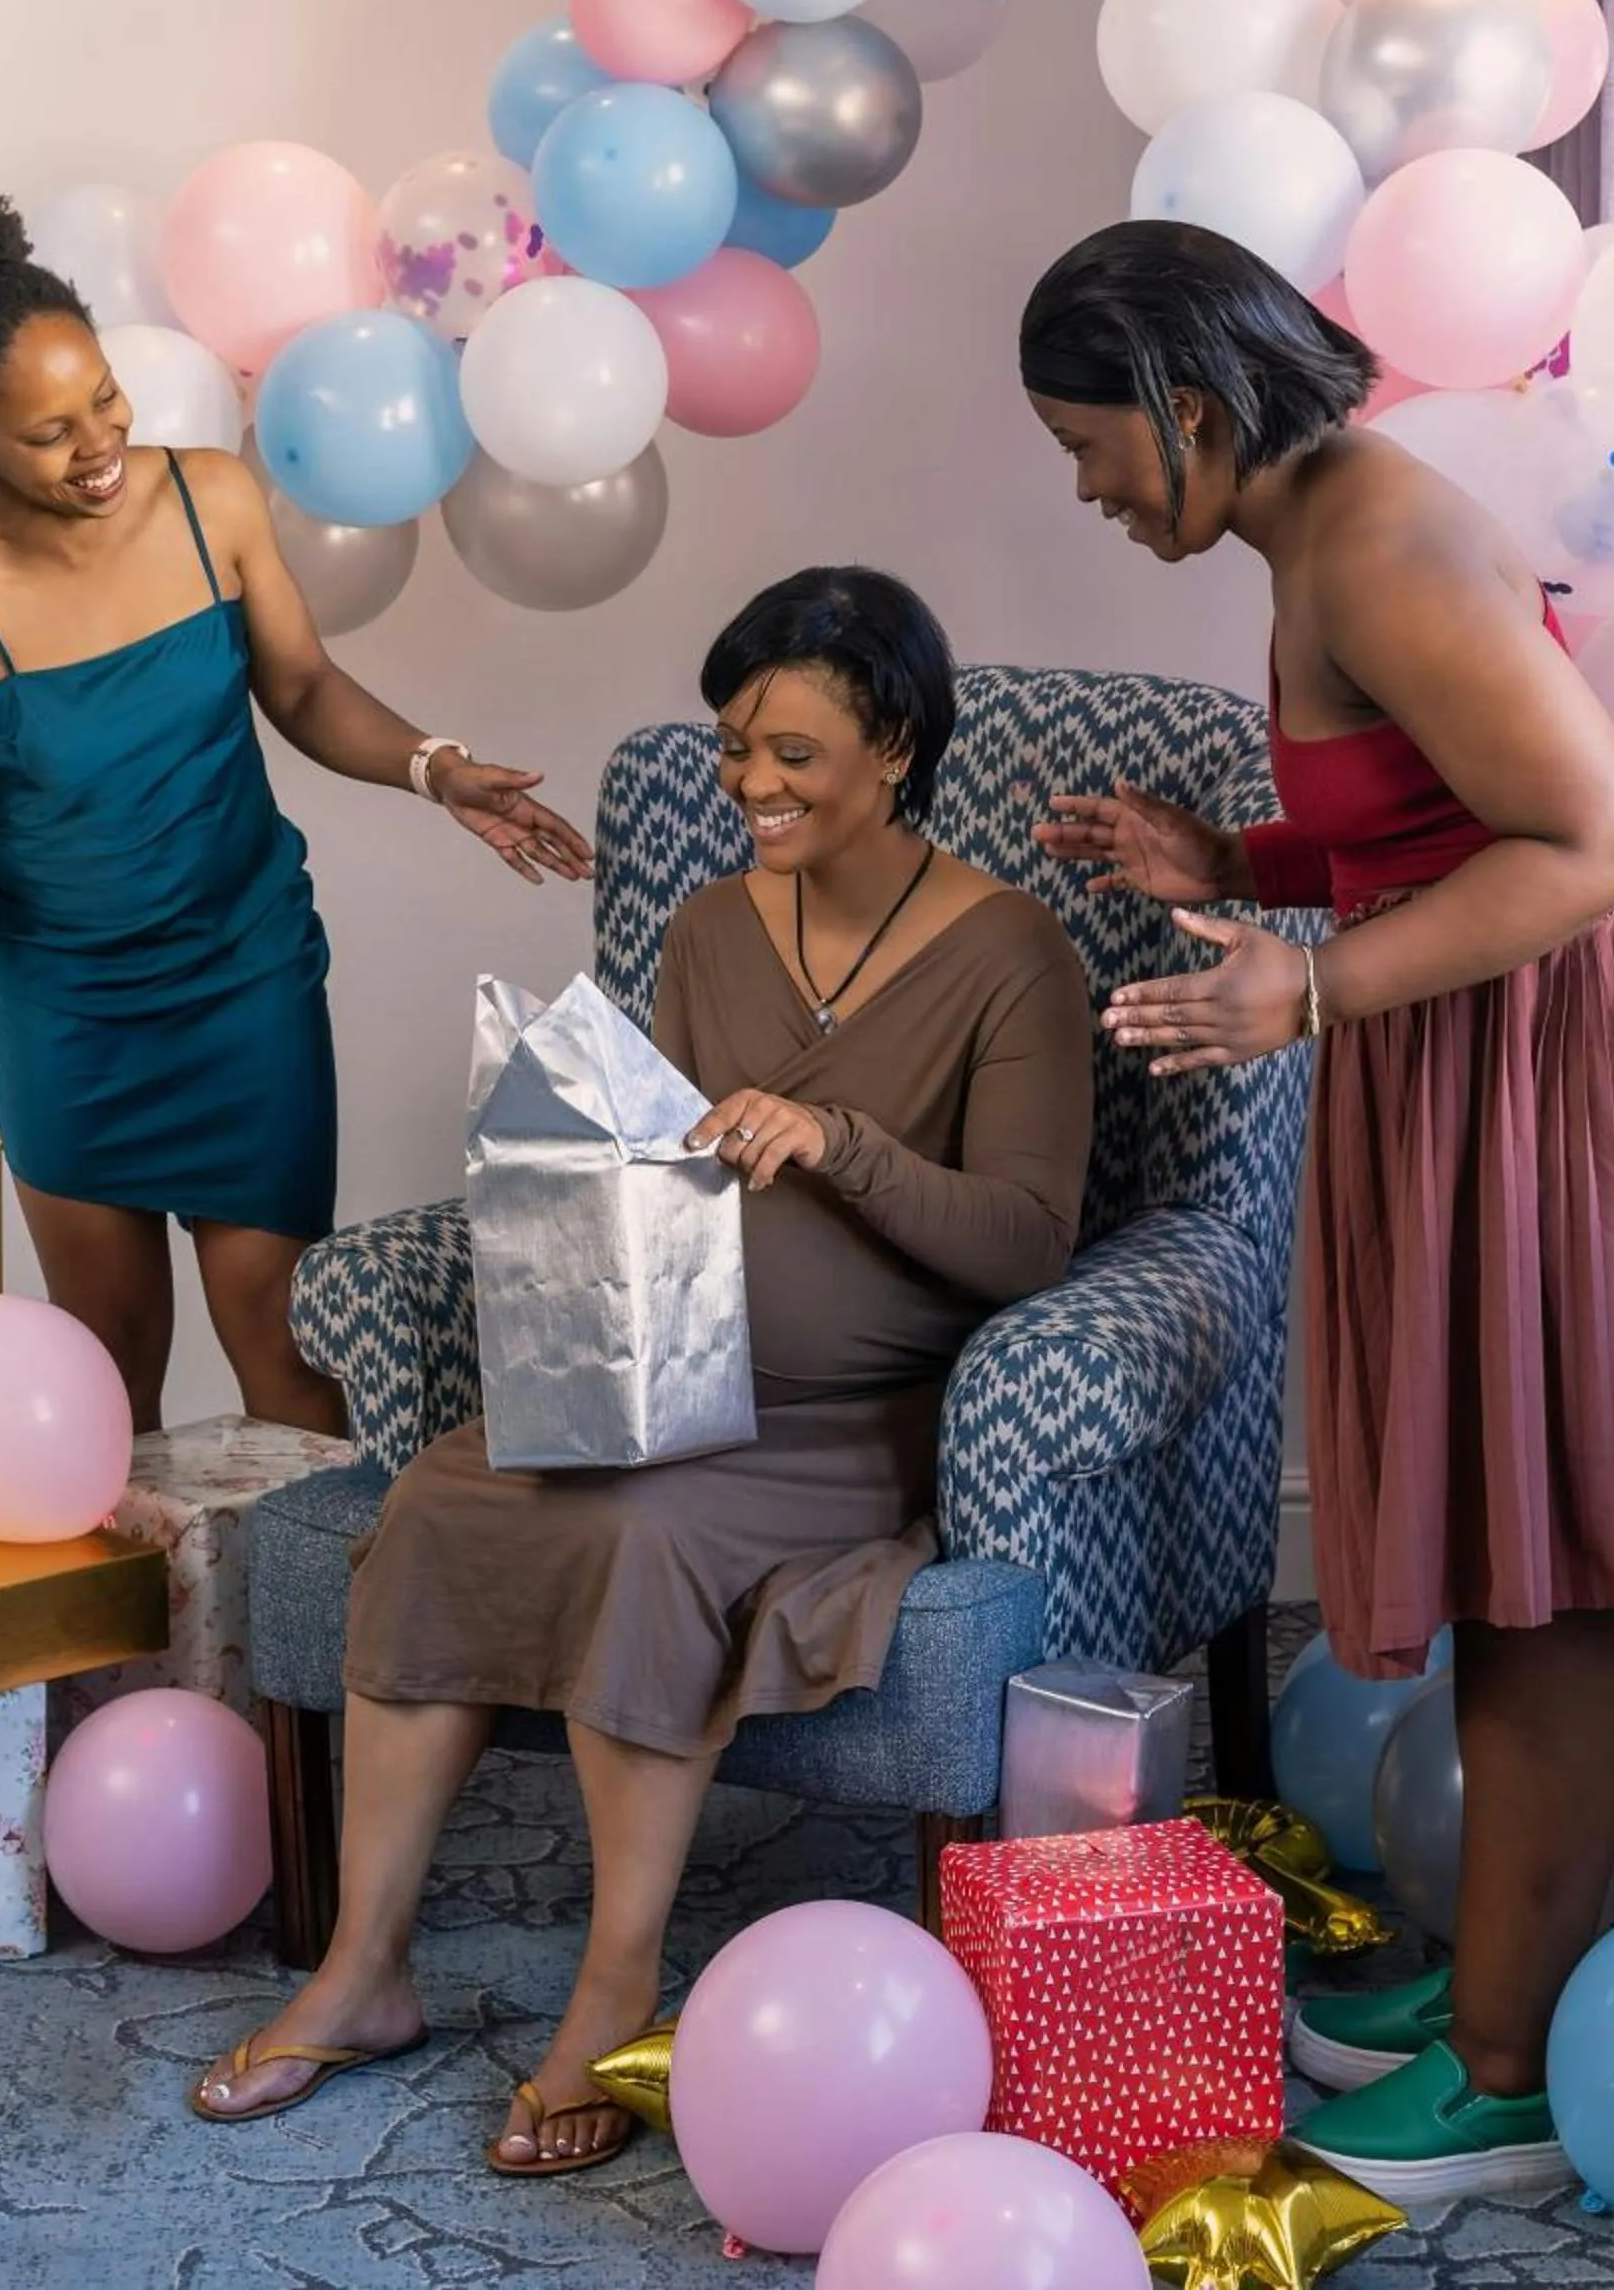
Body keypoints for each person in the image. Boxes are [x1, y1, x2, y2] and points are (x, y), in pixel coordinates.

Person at [193, 566, 1094, 2163]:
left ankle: (614, 2001)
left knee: (637, 1539)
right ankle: (362, 1971)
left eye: (792, 753)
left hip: (839, 1428)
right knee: (446, 1498)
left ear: (894, 747)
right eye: (733, 743)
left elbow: (1027, 1239)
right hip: (660, 1380)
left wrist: (843, 1144)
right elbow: (658, 1174)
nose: (748, 783)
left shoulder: (1010, 951)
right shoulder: (701, 927)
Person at [1019, 217, 1614, 2209]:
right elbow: (1434, 800)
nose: (1088, 485)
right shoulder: (1316, 529)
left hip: (1546, 1070)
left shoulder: (1373, 535)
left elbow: (1595, 840)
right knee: (1512, 1548)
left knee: (1552, 1566)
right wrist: (1242, 853)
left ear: (1196, 413)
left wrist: (1302, 979)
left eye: (1092, 443)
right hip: (1474, 1054)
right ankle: (1509, 1978)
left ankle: (1506, 2077)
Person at [0, 193, 591, 1435]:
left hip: (243, 977)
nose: (97, 443)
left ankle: (301, 1632)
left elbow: (298, 686)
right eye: (47, 433)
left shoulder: (211, 501)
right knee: (109, 1374)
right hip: (67, 1012)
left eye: (105, 400)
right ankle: (139, 1638)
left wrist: (433, 767)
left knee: (288, 1356)